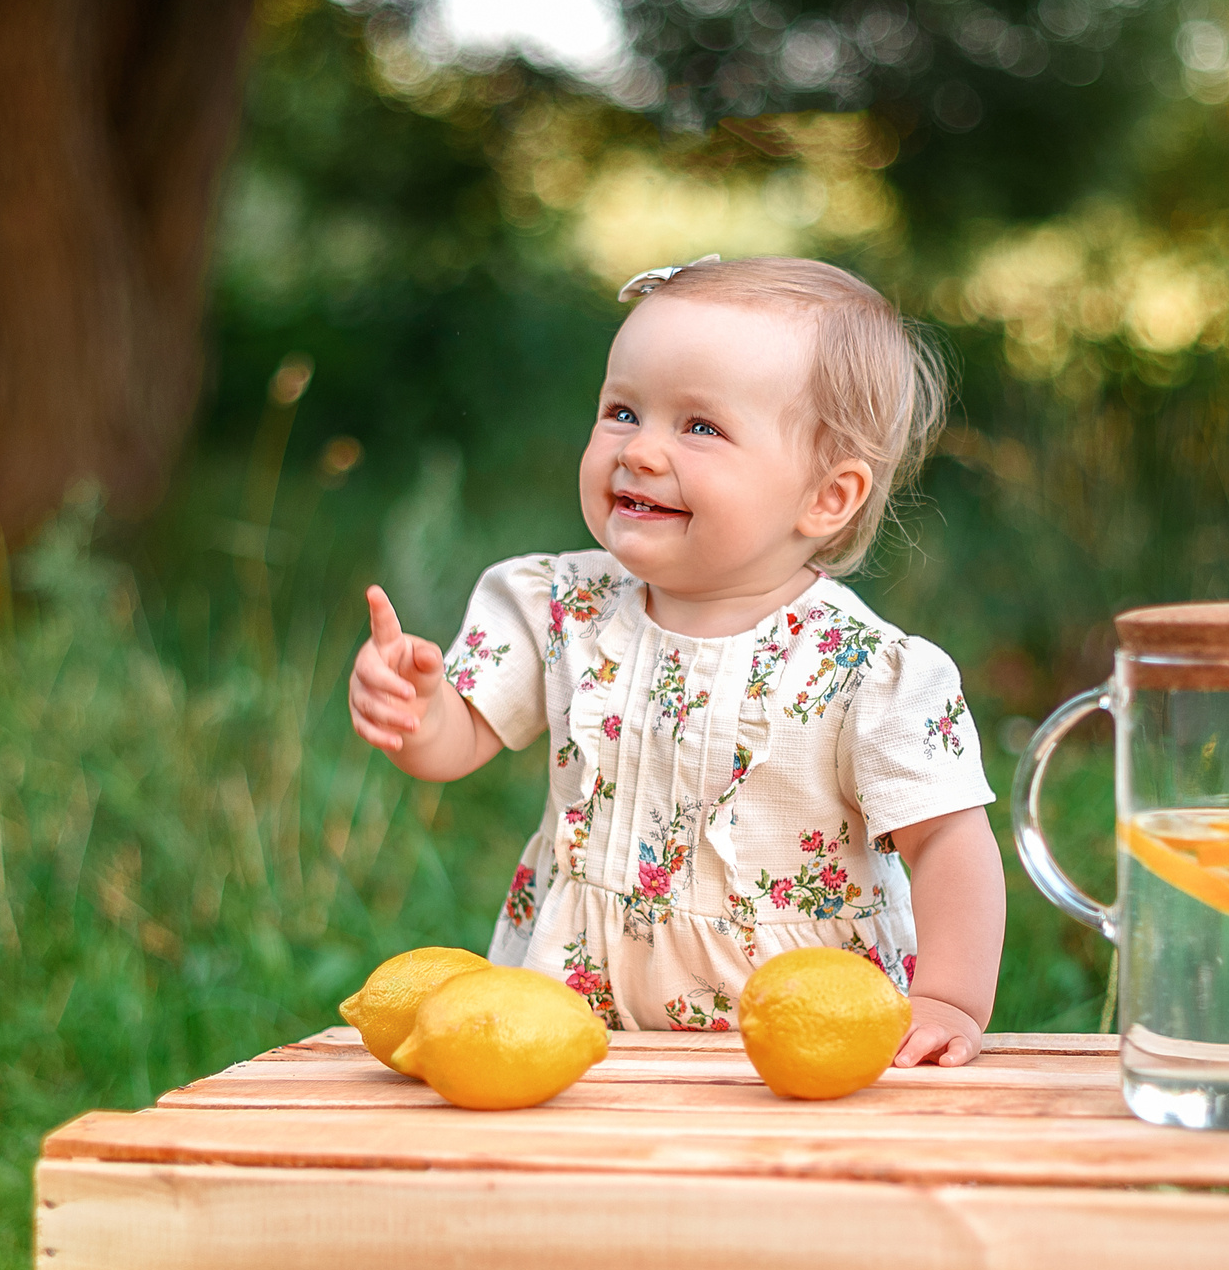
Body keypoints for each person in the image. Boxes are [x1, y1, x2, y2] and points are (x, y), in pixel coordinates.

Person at [346, 255, 1004, 1066]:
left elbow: (947, 840)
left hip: (794, 1043)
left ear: (827, 496)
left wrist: (948, 997)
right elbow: (457, 741)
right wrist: (417, 710)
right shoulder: (560, 604)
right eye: (622, 411)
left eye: (700, 427)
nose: (642, 451)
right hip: (566, 1021)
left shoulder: (861, 669)